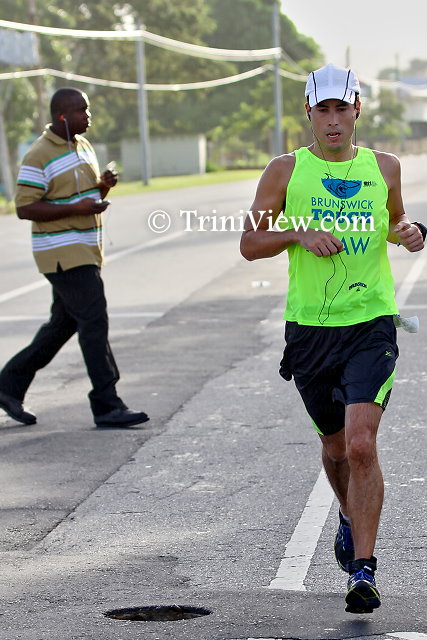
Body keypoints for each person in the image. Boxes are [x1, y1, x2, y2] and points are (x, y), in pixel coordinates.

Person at [240, 63, 425, 613]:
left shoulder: (384, 167)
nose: (333, 120)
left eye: (342, 108)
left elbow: (394, 222)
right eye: (323, 110)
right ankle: (348, 517)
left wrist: (410, 233)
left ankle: (363, 570)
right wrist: (297, 232)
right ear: (308, 113)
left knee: (362, 444)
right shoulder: (284, 171)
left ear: (357, 109)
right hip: (311, 331)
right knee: (336, 448)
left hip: (370, 323)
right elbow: (250, 243)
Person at [0, 87, 149, 429]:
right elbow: (24, 207)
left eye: (88, 109)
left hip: (84, 248)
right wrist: (75, 208)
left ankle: (8, 386)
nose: (88, 116)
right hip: (61, 252)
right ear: (62, 116)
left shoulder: (82, 145)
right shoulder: (39, 154)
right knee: (94, 321)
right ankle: (106, 404)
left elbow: (82, 195)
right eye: (82, 111)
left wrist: (103, 186)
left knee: (62, 325)